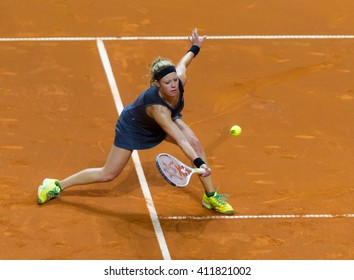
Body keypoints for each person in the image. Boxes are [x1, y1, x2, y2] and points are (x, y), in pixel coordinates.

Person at [37, 28, 234, 215]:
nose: (173, 85)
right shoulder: (158, 109)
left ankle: (210, 197)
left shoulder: (178, 80)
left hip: (165, 119)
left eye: (174, 80)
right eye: (168, 83)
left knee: (196, 144)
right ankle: (55, 185)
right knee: (108, 174)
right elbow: (180, 139)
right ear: (157, 84)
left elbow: (183, 64)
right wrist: (199, 162)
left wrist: (195, 47)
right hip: (134, 125)